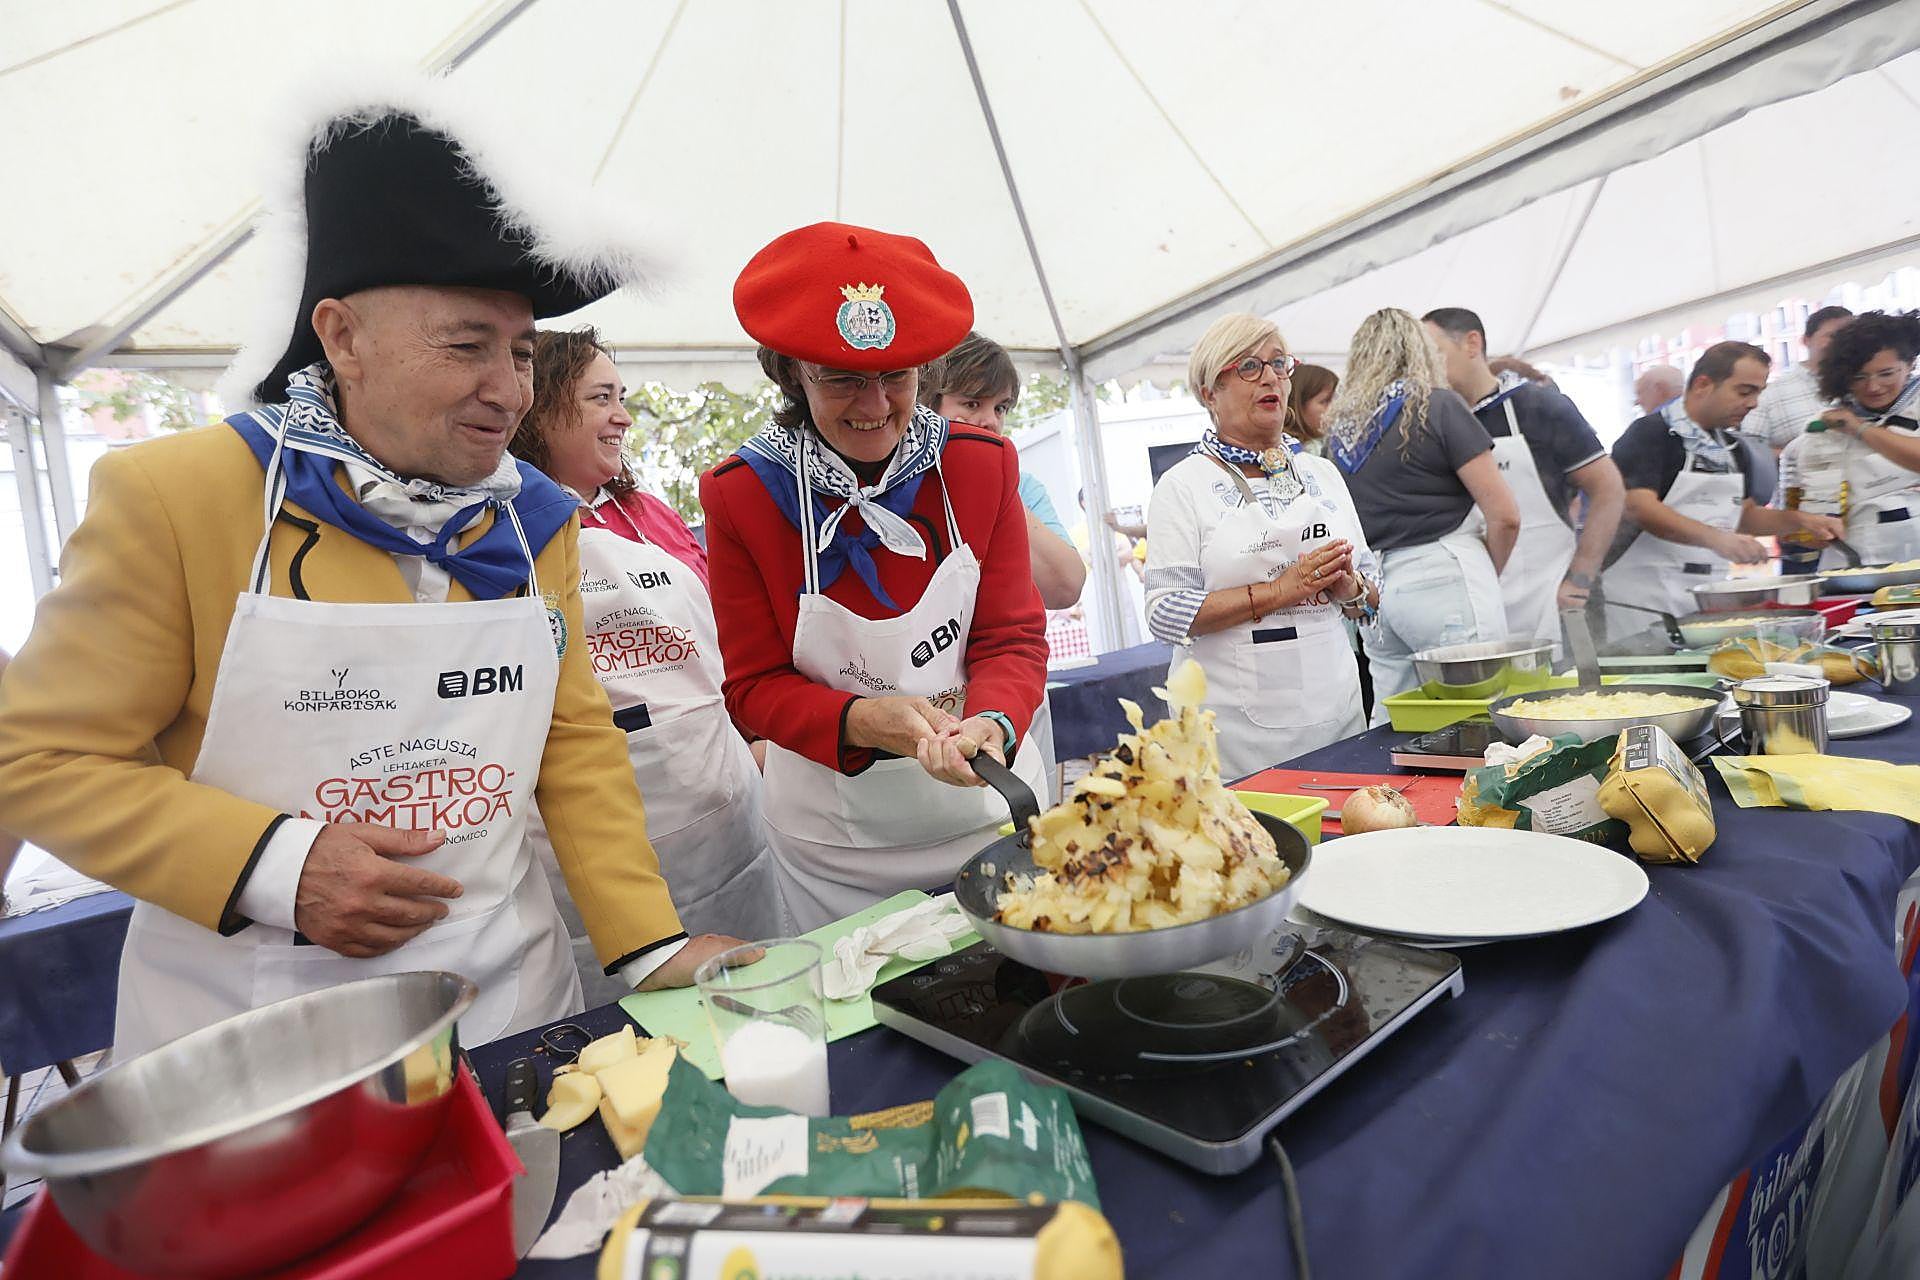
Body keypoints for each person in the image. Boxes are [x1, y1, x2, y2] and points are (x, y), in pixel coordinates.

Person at [0, 87, 737, 1058]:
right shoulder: (178, 496)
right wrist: (275, 863)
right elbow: (34, 760)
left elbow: (572, 741)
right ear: (341, 336)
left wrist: (648, 946)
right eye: (468, 345)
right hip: (263, 1044)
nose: (509, 391)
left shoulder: (535, 521)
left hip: (515, 1005)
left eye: (520, 353)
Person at [700, 223, 1050, 931]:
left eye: (896, 376)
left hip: (987, 806)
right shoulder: (740, 493)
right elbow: (752, 688)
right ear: (792, 373)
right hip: (837, 848)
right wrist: (861, 719)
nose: (873, 405)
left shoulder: (980, 466)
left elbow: (1013, 638)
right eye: (841, 378)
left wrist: (991, 720)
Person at [510, 327, 784, 1002]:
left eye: (623, 397)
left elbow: (726, 643)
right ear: (541, 409)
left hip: (722, 820)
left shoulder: (651, 516)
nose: (624, 416)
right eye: (602, 398)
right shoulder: (502, 529)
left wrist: (756, 740)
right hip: (593, 847)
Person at [1144, 315, 1377, 777]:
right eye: (1249, 366)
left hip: (1338, 711)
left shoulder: (1321, 475)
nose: (1271, 376)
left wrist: (1348, 587)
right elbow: (1164, 612)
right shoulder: (1184, 486)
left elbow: (1372, 596)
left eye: (1278, 364)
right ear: (1210, 392)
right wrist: (1280, 591)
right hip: (1231, 734)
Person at [1325, 308, 1520, 717]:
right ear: (1419, 350)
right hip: (1444, 572)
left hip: (1377, 588)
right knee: (1482, 718)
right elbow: (1504, 515)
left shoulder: (1340, 433)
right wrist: (1485, 569)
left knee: (1396, 723)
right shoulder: (1437, 405)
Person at [1601, 342, 1842, 637]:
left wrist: (1800, 522)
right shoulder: (1651, 434)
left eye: (1758, 392)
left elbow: (1743, 516)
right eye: (1744, 391)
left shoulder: (1732, 448)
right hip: (1641, 598)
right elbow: (1639, 506)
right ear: (1703, 384)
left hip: (1707, 595)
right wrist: (1717, 539)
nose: (1753, 403)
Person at [1423, 308, 1625, 644]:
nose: (1426, 369)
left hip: (1550, 597)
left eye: (1434, 354)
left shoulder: (1538, 407)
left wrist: (1581, 577)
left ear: (1472, 343)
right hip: (1477, 606)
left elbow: (1608, 488)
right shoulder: (1432, 423)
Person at [921, 333, 1085, 609]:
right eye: (972, 404)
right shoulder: (898, 483)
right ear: (927, 402)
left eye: (1000, 407)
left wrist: (994, 487)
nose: (991, 421)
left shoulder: (1023, 487)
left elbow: (1066, 587)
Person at [1802, 310, 1920, 566]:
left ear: (1910, 364)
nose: (1873, 387)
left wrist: (1860, 429)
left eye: (1886, 373)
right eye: (1859, 377)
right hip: (1854, 563)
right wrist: (1814, 526)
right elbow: (1807, 518)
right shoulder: (1827, 425)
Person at [1753, 306, 1853, 571]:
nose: (1841, 343)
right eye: (1832, 335)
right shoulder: (1772, 394)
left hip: (1861, 520)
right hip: (1802, 523)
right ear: (1806, 340)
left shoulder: (1863, 386)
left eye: (1848, 335)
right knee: (1806, 600)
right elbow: (1748, 452)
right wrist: (1800, 450)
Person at [1285, 363, 1338, 456]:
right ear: (1298, 406)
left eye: (1335, 400)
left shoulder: (1328, 445)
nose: (1334, 409)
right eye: (1325, 401)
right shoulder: (1297, 455)